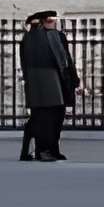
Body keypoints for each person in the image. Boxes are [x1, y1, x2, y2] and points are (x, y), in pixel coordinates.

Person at [20, 9, 77, 162]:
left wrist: (73, 77)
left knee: (54, 115)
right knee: (45, 117)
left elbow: (66, 59)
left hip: (53, 80)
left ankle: (51, 148)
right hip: (45, 80)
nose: (54, 22)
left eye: (54, 20)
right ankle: (43, 149)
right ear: (41, 22)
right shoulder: (35, 37)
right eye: (50, 20)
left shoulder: (54, 36)